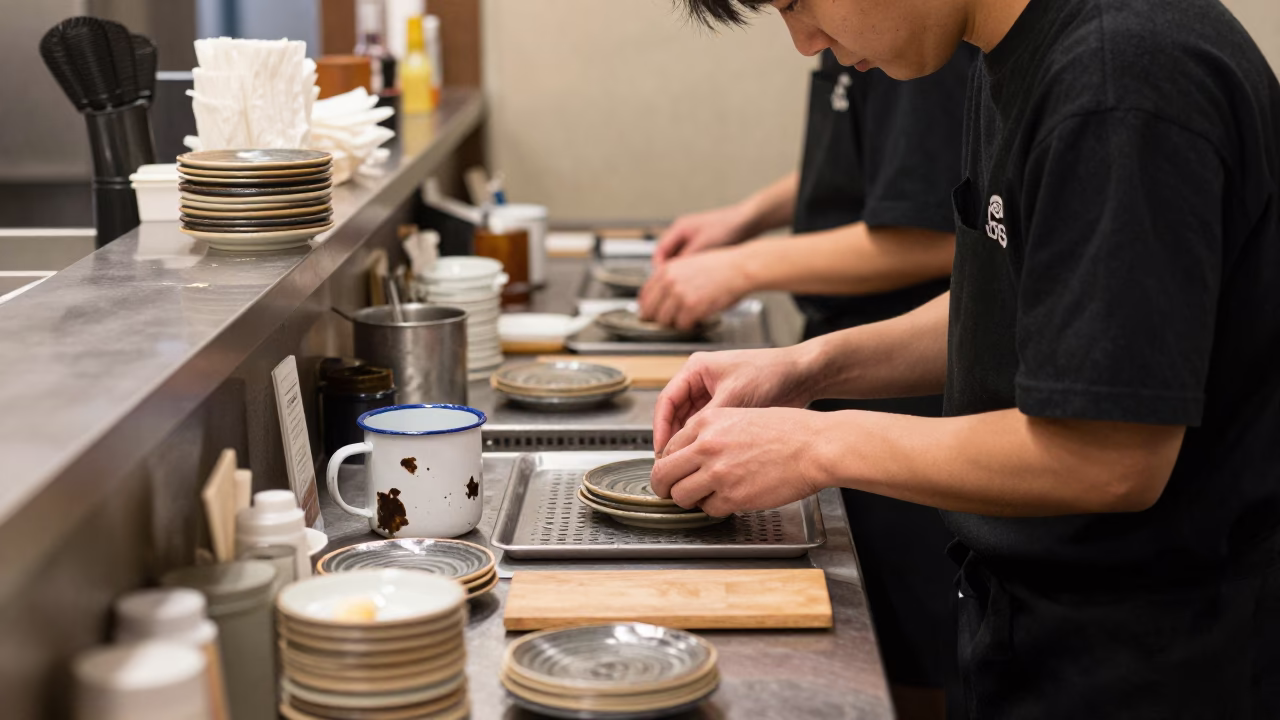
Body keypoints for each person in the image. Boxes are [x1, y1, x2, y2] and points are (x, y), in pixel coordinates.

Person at [654, 0, 1280, 717]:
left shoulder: (1120, 76)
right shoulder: (1010, 50)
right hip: (1043, 628)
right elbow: (1014, 307)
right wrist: (807, 366)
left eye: (799, 3)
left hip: (1163, 657)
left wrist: (818, 444)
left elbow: (1109, 457)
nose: (806, 44)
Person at [641, 46, 974, 720]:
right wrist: (751, 216)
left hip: (912, 395)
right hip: (865, 366)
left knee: (915, 660)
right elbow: (878, 168)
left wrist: (742, 267)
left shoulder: (926, 42)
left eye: (794, 6)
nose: (803, 38)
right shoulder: (863, 33)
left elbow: (931, 233)